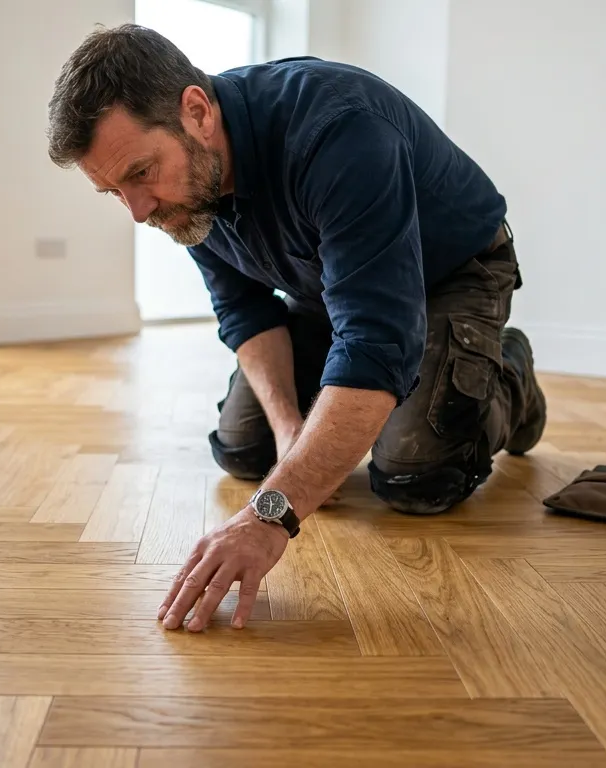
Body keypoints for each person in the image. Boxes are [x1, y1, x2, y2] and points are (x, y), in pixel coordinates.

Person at [46, 24, 546, 632]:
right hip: (328, 289)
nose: (138, 210)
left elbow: (374, 339)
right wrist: (289, 430)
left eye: (141, 174)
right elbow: (246, 311)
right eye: (113, 191)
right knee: (246, 449)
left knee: (416, 475)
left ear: (197, 112)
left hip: (449, 274)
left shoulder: (339, 132)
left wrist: (267, 517)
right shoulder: (184, 191)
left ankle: (507, 375)